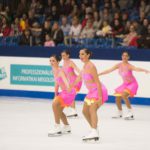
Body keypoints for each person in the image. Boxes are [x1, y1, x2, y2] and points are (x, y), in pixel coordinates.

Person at [99, 51, 150, 120]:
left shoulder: (129, 66)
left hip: (132, 84)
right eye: (123, 55)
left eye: (126, 56)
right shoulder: (118, 65)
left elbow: (137, 69)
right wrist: (99, 74)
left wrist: (145, 70)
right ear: (121, 56)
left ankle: (131, 113)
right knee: (117, 98)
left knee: (124, 95)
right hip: (125, 84)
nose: (124, 57)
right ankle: (120, 113)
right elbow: (109, 70)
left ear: (128, 57)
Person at [73, 48, 108, 141]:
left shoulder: (92, 66)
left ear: (88, 55)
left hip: (99, 90)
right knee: (84, 111)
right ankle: (94, 130)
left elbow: (97, 82)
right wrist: (70, 86)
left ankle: (94, 131)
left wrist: (100, 97)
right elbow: (78, 79)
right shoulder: (84, 66)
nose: (80, 56)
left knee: (92, 109)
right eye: (79, 54)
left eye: (83, 54)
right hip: (92, 92)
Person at [48, 55, 76, 136]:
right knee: (58, 110)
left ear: (58, 61)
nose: (51, 62)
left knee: (54, 105)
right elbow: (56, 83)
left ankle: (57, 127)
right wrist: (55, 94)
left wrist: (68, 88)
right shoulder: (53, 70)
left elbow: (65, 81)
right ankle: (67, 127)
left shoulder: (60, 71)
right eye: (50, 61)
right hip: (64, 92)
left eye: (53, 61)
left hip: (69, 91)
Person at [61, 50, 82, 118]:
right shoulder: (64, 62)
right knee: (69, 96)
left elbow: (78, 70)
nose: (62, 57)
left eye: (64, 55)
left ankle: (74, 112)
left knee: (71, 95)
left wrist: (82, 76)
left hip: (75, 81)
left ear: (68, 55)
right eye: (62, 55)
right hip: (70, 82)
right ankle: (73, 111)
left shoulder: (71, 62)